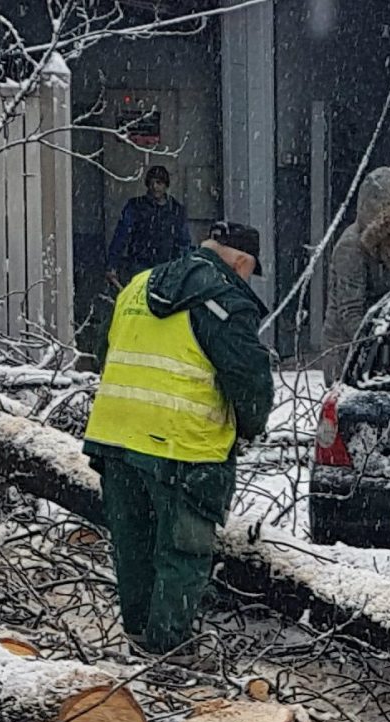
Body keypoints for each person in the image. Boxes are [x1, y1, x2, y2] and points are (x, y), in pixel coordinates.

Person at [82, 220, 273, 654]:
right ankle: (169, 651)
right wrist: (249, 426)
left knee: (133, 544)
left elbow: (103, 351)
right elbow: (249, 380)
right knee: (182, 549)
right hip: (182, 444)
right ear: (242, 262)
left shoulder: (137, 285)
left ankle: (137, 635)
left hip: (115, 434)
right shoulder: (224, 299)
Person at [321, 166, 390, 352]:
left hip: (383, 340)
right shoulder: (351, 248)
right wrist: (376, 344)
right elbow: (350, 312)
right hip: (347, 349)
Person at [105, 165, 191, 289]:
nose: (155, 187)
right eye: (151, 183)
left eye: (159, 182)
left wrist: (184, 269)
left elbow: (184, 243)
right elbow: (121, 235)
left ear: (166, 185)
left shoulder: (176, 211)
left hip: (166, 268)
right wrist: (112, 265)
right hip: (139, 265)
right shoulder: (135, 207)